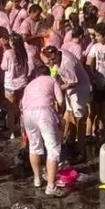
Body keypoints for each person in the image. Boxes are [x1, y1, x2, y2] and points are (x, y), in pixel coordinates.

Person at [21, 63, 65, 197]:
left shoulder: (29, 85)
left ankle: (37, 179)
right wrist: (60, 115)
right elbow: (61, 101)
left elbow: (22, 106)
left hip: (27, 115)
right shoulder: (52, 80)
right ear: (47, 73)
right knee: (53, 149)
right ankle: (51, 186)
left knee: (34, 147)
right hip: (44, 113)